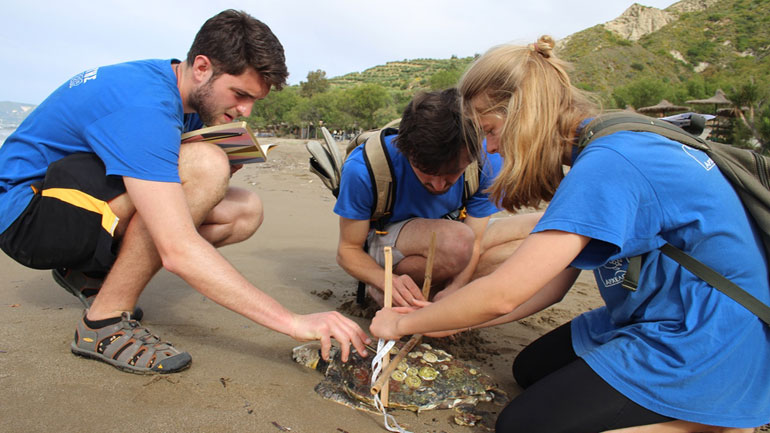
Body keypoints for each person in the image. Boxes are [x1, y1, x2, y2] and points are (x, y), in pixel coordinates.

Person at [370, 37, 769, 433]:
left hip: (710, 333)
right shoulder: (602, 142)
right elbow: (552, 287)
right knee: (530, 369)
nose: (489, 149)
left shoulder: (609, 162)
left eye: (490, 130)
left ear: (524, 113)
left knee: (522, 426)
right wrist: (448, 319)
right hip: (652, 311)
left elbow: (504, 293)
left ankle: (709, 424)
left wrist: (401, 325)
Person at [0, 9, 370, 375]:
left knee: (243, 210)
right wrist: (293, 322)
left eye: (255, 100)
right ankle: (102, 323)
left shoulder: (181, 91)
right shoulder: (146, 103)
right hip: (26, 215)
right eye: (240, 94)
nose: (246, 111)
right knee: (205, 166)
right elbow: (177, 248)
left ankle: (88, 274)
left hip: (72, 201)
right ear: (202, 67)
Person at [334, 88, 512, 308]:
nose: (439, 185)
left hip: (452, 232)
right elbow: (348, 251)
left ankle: (435, 293)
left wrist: (455, 290)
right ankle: (392, 291)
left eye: (452, 173)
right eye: (427, 171)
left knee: (538, 233)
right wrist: (386, 280)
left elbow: (475, 240)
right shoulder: (363, 169)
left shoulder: (487, 162)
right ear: (406, 151)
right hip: (387, 240)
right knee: (457, 241)